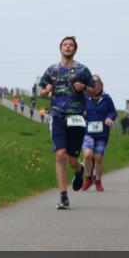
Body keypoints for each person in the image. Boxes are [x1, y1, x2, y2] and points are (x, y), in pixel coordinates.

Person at [38, 36, 94, 210]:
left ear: (75, 49)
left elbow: (94, 92)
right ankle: (63, 197)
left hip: (76, 117)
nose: (68, 47)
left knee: (72, 159)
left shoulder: (82, 70)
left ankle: (78, 169)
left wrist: (83, 88)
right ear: (60, 48)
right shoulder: (51, 70)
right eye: (65, 44)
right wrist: (46, 90)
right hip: (57, 115)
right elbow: (41, 92)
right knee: (60, 154)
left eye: (71, 45)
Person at [80, 75, 117, 191]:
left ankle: (98, 181)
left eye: (97, 82)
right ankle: (87, 178)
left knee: (99, 157)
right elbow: (77, 110)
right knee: (87, 155)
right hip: (87, 132)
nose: (95, 84)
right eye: (92, 82)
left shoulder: (107, 99)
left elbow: (114, 112)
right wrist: (82, 113)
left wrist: (110, 118)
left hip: (102, 133)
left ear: (101, 85)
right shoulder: (84, 98)